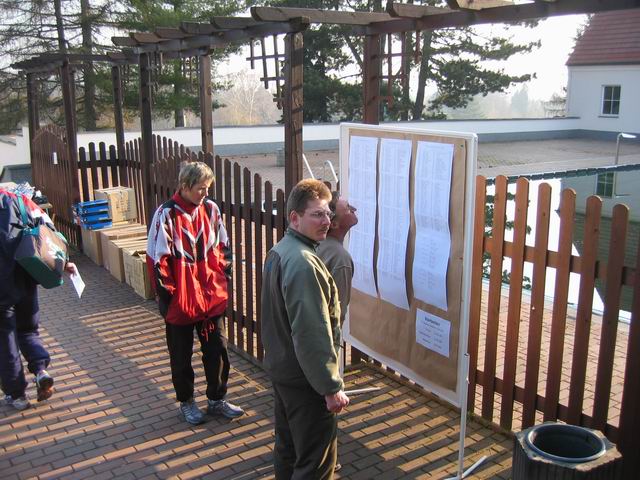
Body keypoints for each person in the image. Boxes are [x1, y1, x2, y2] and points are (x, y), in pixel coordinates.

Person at [261, 179, 349, 479]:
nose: (326, 221)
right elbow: (312, 333)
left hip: (285, 371)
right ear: (295, 218)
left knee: (288, 450)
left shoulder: (280, 250)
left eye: (328, 214)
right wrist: (330, 387)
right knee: (315, 462)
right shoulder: (303, 263)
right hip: (306, 381)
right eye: (317, 214)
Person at [146, 162, 244, 425]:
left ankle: (216, 399)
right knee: (181, 355)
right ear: (185, 185)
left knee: (217, 349)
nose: (205, 193)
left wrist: (222, 278)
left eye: (207, 188)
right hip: (181, 301)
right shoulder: (165, 214)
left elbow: (223, 247)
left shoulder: (211, 209)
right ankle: (187, 402)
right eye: (201, 188)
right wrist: (169, 297)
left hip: (211, 297)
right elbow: (157, 259)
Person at [1, 188, 76, 410]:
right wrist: (65, 261)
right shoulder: (18, 199)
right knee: (28, 331)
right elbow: (48, 231)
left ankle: (17, 395)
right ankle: (41, 370)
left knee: (5, 340)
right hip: (26, 276)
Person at [317, 191, 358, 327]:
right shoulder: (340, 259)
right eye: (348, 208)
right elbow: (337, 315)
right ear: (334, 224)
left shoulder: (317, 243)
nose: (354, 210)